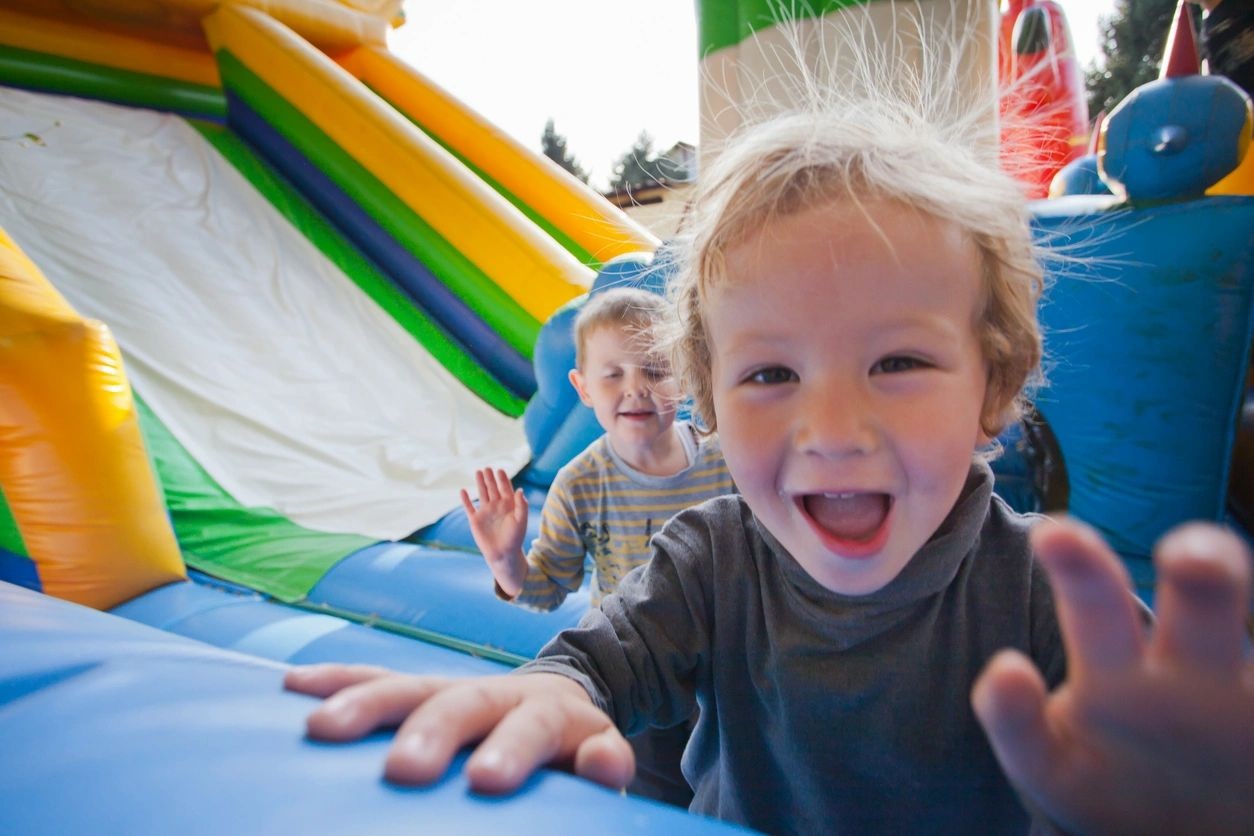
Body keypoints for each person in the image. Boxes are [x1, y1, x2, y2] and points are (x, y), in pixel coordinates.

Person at [285, 103, 1254, 834]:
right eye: (771, 373)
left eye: (899, 362)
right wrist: (554, 693)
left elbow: (1159, 764)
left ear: (993, 386)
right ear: (708, 401)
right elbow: (598, 660)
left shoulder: (1049, 586)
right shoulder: (708, 555)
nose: (831, 426)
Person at [459, 286, 734, 808]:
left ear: (684, 374)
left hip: (722, 666)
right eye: (613, 375)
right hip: (637, 666)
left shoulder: (725, 460)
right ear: (583, 388)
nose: (636, 389)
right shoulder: (580, 484)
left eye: (655, 370)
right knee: (656, 794)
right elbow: (545, 588)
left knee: (732, 786)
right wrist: (506, 561)